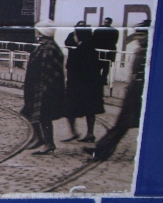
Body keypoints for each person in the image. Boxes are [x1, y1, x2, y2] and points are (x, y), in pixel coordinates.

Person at [86, 21, 149, 161]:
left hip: (145, 94)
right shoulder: (141, 50)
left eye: (142, 35)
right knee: (121, 124)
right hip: (134, 92)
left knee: (138, 126)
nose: (139, 38)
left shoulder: (152, 52)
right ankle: (101, 149)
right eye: (138, 35)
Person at [21, 21, 66, 155]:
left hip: (44, 88)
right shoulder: (45, 46)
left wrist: (42, 88)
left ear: (43, 33)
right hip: (39, 86)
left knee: (43, 116)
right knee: (29, 113)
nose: (36, 33)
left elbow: (46, 71)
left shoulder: (49, 49)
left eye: (38, 31)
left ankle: (48, 143)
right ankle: (39, 138)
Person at [62, 23, 104, 143]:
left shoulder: (80, 50)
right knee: (90, 110)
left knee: (70, 108)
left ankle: (75, 132)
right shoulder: (92, 46)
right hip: (91, 84)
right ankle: (89, 133)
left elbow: (69, 65)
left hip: (78, 85)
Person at [93, 17, 119, 85]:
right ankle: (98, 79)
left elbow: (114, 41)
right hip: (99, 52)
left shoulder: (114, 31)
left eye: (107, 22)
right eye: (105, 22)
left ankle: (103, 80)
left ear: (110, 23)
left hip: (108, 52)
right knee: (97, 66)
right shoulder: (97, 30)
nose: (105, 24)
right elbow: (94, 40)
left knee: (106, 67)